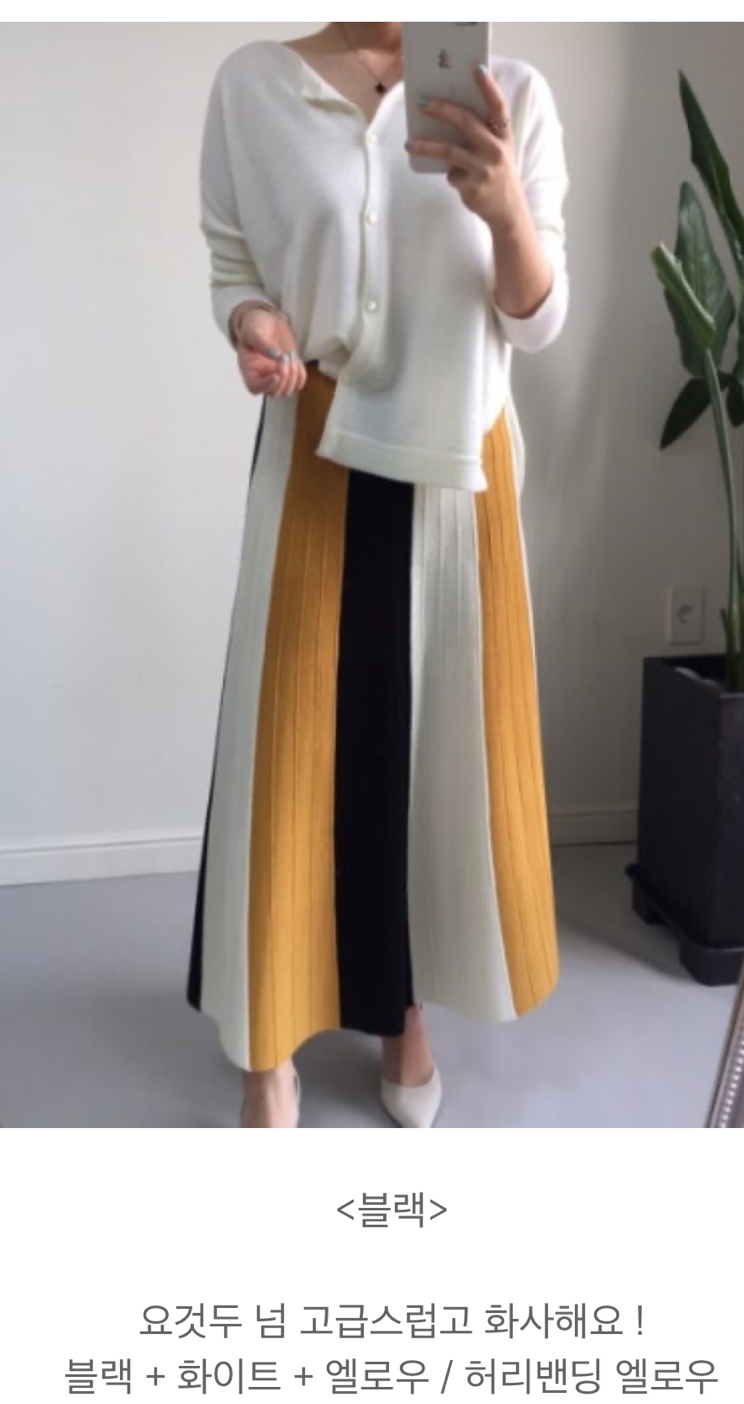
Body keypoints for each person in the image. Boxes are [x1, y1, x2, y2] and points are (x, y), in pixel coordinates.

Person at [186, 22, 570, 1127]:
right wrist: (252, 323)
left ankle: (403, 1009)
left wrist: (504, 208)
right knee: (285, 749)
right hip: (315, 439)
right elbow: (233, 264)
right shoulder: (252, 86)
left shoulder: (512, 93)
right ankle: (267, 1041)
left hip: (461, 465)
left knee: (436, 753)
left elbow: (538, 321)